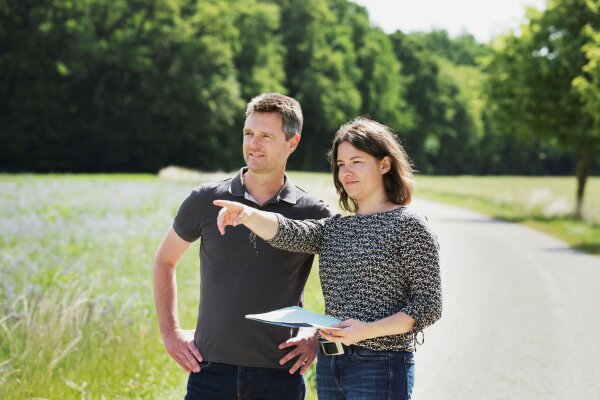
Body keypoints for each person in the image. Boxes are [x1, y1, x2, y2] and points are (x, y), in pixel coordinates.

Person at [214, 117, 442, 400]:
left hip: (381, 365)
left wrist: (365, 332)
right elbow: (289, 232)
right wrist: (247, 214)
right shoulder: (335, 228)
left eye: (357, 162)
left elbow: (429, 305)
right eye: (341, 165)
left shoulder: (409, 225)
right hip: (330, 364)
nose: (346, 172)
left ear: (385, 164)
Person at [153, 93, 333, 400]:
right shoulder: (205, 199)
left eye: (266, 136)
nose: (253, 144)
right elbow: (164, 262)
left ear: (292, 142)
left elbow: (343, 288)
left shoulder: (313, 212)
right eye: (249, 134)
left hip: (280, 376)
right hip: (209, 372)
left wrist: (316, 337)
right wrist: (170, 334)